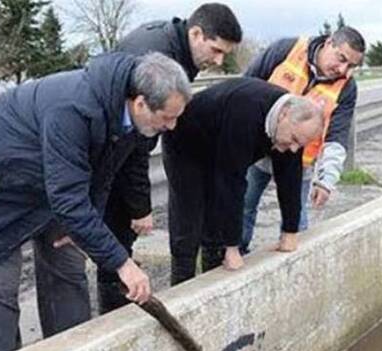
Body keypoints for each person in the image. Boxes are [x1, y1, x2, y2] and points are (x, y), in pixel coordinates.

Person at [0, 53, 192, 351]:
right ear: (141, 103)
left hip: (35, 183)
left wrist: (88, 226)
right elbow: (67, 199)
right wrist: (122, 263)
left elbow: (103, 174)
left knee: (67, 264)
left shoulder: (129, 118)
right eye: (168, 117)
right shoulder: (73, 108)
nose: (172, 126)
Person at [97, 3, 243, 314]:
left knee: (120, 239)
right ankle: (112, 318)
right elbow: (135, 143)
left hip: (117, 148)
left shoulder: (178, 50)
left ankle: (120, 304)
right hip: (108, 151)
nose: (218, 61)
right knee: (117, 236)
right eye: (216, 50)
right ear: (196, 33)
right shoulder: (156, 57)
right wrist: (139, 206)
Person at [161, 78, 324, 285]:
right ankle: (181, 285)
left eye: (298, 144)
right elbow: (232, 182)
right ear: (284, 115)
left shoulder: (292, 128)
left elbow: (290, 179)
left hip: (222, 147)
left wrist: (289, 231)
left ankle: (214, 282)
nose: (293, 148)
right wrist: (232, 246)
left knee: (214, 225)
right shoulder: (247, 111)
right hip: (187, 145)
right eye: (293, 140)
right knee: (189, 219)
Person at [240, 27, 366, 253]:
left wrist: (325, 180)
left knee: (296, 223)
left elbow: (337, 136)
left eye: (351, 66)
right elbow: (245, 89)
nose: (343, 69)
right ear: (329, 43)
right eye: (341, 59)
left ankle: (295, 267)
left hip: (300, 162)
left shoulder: (347, 87)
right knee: (243, 208)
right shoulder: (287, 50)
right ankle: (234, 255)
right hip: (257, 152)